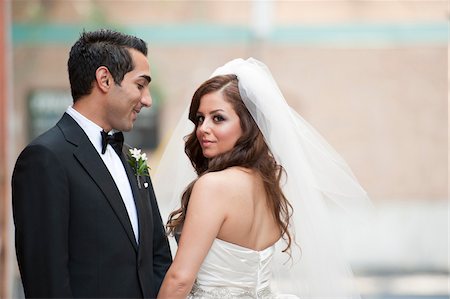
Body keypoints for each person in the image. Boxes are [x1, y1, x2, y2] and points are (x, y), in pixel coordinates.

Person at [154, 58, 371, 298]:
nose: (203, 128)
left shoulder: (213, 186)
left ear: (248, 126)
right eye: (199, 118)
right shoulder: (268, 183)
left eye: (218, 118)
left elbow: (180, 279)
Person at [12, 29, 172, 298]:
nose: (147, 100)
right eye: (140, 85)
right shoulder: (45, 158)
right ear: (105, 79)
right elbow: (46, 281)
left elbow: (157, 256)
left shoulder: (132, 158)